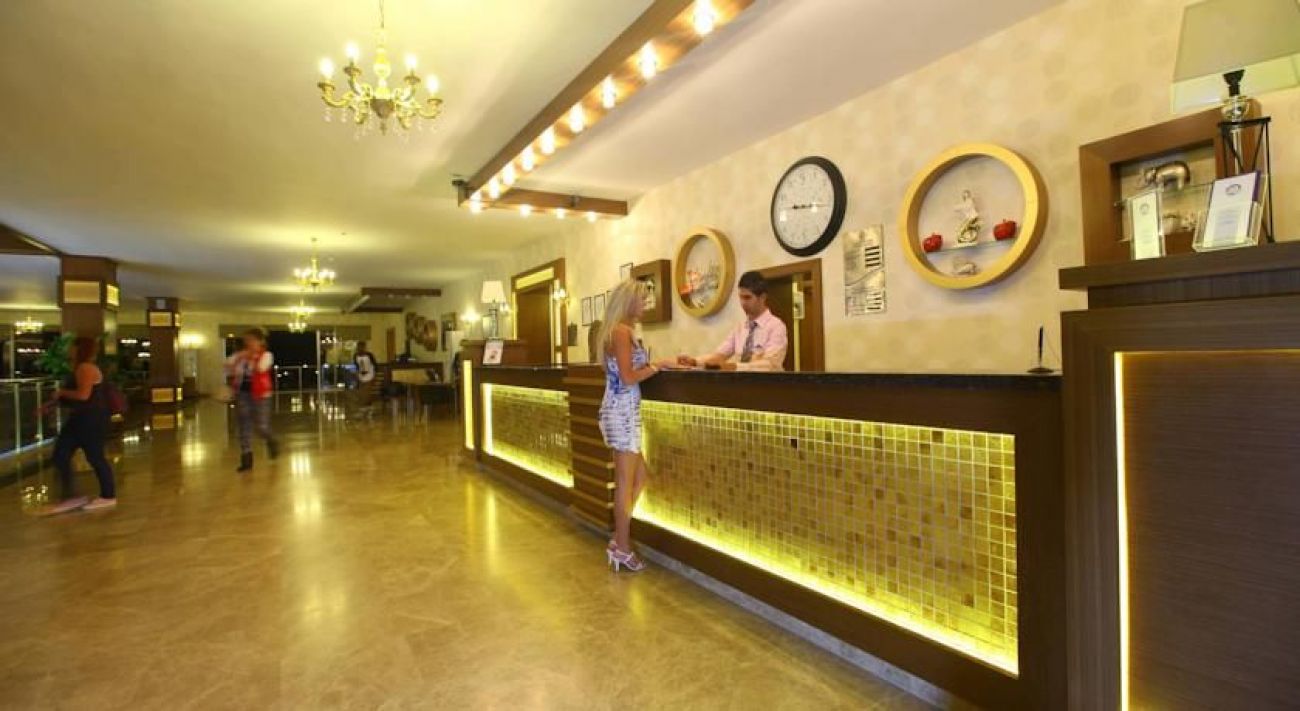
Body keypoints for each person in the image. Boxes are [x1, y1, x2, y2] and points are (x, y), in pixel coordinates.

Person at [596, 279, 676, 572]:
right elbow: (628, 377)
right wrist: (657, 366)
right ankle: (622, 547)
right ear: (628, 301)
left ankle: (619, 539)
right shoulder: (620, 331)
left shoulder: (622, 331)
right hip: (622, 412)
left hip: (623, 410)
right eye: (642, 299)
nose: (645, 305)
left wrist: (658, 364)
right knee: (626, 482)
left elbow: (628, 372)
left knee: (639, 477)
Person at [41, 336, 117, 515]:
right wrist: (51, 404)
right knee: (61, 454)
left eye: (72, 348)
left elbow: (83, 395)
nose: (69, 351)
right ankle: (71, 496)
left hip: (90, 419)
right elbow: (77, 395)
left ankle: (108, 495)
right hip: (82, 419)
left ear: (80, 350)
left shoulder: (85, 368)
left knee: (94, 457)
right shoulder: (81, 368)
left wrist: (61, 392)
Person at [678, 271, 789, 372]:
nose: (743, 303)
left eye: (747, 298)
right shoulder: (740, 328)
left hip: (766, 386)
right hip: (740, 385)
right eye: (741, 297)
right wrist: (695, 362)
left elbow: (770, 365)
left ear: (762, 297)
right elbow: (720, 355)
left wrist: (734, 367)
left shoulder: (776, 326)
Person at [226, 328, 278, 472]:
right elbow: (228, 367)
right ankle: (246, 458)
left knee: (261, 426)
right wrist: (237, 359)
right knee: (244, 425)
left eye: (252, 340)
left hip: (261, 394)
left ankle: (271, 440)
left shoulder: (266, 355)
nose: (249, 343)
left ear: (260, 341)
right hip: (242, 394)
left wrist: (250, 358)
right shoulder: (240, 355)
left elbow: (261, 368)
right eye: (246, 340)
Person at [354, 341, 378, 417]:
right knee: (361, 393)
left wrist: (374, 376)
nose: (360, 348)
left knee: (366, 393)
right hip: (361, 376)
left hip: (370, 375)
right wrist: (357, 375)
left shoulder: (369, 355)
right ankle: (369, 408)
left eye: (362, 347)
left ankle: (362, 410)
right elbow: (357, 366)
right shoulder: (355, 356)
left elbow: (375, 365)